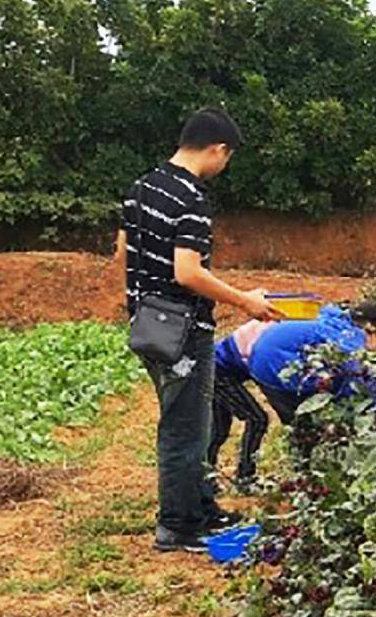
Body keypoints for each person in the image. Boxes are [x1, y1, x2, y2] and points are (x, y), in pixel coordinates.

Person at [115, 108, 281, 553]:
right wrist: (245, 300)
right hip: (184, 329)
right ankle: (178, 526)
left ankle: (203, 507)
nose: (223, 166)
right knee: (185, 428)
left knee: (194, 420)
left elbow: (123, 254)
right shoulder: (191, 197)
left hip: (148, 322)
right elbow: (188, 272)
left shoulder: (141, 188)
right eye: (227, 158)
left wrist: (141, 301)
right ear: (217, 149)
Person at [243, 302, 376, 453]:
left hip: (264, 357)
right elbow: (358, 378)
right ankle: (303, 466)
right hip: (273, 367)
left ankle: (306, 459)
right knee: (304, 427)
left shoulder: (337, 320)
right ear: (371, 328)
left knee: (311, 417)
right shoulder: (348, 339)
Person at [208, 318, 273, 493]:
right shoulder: (272, 334)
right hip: (218, 372)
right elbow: (264, 373)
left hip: (213, 367)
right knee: (257, 419)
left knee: (219, 429)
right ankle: (246, 477)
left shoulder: (272, 324)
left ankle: (203, 477)